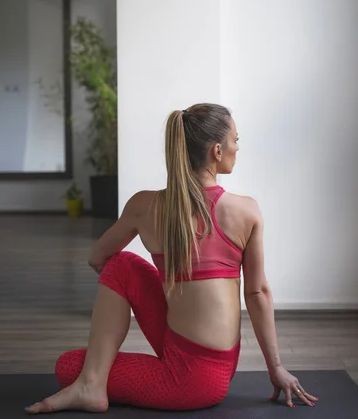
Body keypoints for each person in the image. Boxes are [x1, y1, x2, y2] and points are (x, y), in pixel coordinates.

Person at [26, 103, 318, 414]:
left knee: (68, 364)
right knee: (122, 266)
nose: (237, 147)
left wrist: (167, 289)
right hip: (212, 368)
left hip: (192, 381)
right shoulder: (245, 211)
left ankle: (91, 383)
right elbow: (257, 293)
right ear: (217, 151)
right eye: (236, 140)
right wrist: (276, 369)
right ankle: (92, 385)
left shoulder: (144, 205)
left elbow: (98, 257)